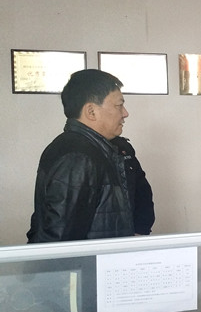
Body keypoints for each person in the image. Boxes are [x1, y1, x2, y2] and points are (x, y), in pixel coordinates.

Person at [27, 69, 134, 243]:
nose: (125, 113)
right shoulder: (78, 157)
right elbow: (60, 239)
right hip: (87, 262)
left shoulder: (92, 149)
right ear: (91, 111)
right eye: (119, 105)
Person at [111, 135, 155, 235]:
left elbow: (142, 192)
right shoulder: (80, 148)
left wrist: (141, 230)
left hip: (131, 232)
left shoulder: (122, 147)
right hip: (97, 238)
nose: (123, 128)